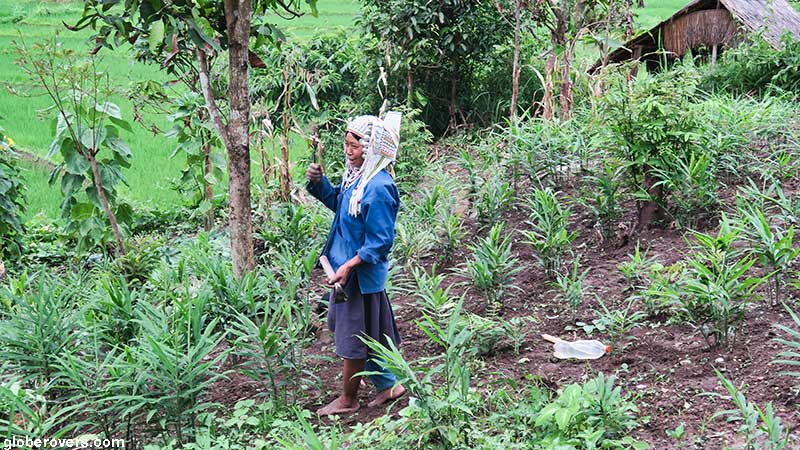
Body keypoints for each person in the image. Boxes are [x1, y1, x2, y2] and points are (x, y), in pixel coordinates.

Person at [306, 114, 406, 416]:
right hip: (348, 270)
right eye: (346, 145)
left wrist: (350, 265)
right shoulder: (359, 178)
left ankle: (348, 399)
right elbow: (342, 206)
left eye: (355, 146)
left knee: (353, 337)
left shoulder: (378, 187)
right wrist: (319, 183)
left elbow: (379, 241)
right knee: (370, 332)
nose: (348, 151)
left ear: (372, 148)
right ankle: (391, 385)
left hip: (359, 276)